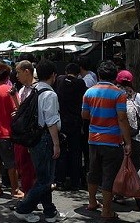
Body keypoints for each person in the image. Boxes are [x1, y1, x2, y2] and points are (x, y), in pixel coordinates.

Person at [13, 60, 65, 223]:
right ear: (53, 76)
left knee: (43, 177)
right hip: (45, 138)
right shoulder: (49, 94)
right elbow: (51, 121)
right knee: (45, 180)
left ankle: (50, 212)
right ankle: (23, 208)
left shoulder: (33, 90)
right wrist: (56, 144)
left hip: (34, 138)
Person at [82, 60, 132, 220]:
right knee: (108, 175)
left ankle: (91, 202)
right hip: (111, 141)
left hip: (93, 139)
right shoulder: (119, 94)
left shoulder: (89, 92)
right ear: (115, 76)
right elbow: (122, 119)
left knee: (93, 171)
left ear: (98, 74)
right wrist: (128, 142)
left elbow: (84, 115)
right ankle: (107, 210)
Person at [0, 62, 23, 198]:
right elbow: (17, 110)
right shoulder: (10, 91)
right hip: (7, 132)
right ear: (8, 75)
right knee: (11, 164)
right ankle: (15, 189)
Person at [115, 69, 140, 211]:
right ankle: (138, 196)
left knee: (118, 166)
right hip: (135, 137)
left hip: (116, 137)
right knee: (136, 166)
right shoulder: (137, 96)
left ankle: (119, 195)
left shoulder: (114, 94)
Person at [54, 62, 87, 191]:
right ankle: (75, 181)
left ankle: (60, 180)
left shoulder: (60, 80)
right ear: (78, 72)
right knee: (75, 152)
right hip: (76, 121)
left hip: (61, 120)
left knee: (61, 151)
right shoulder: (80, 83)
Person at [13, 61, 36, 194]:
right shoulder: (22, 90)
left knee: (29, 167)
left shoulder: (36, 89)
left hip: (31, 135)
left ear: (27, 71)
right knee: (22, 166)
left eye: (18, 72)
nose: (16, 75)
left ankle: (30, 196)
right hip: (22, 134)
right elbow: (21, 109)